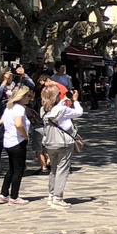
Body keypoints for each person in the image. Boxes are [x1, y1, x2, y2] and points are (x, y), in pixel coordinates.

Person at [39, 79, 84, 207]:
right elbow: (79, 112)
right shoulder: (62, 110)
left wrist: (64, 100)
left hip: (50, 142)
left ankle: (51, 195)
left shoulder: (43, 109)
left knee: (53, 169)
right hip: (63, 142)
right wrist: (75, 101)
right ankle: (58, 198)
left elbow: (55, 108)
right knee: (62, 169)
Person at [0, 86, 35, 205]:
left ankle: (4, 194)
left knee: (12, 169)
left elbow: (3, 120)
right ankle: (14, 196)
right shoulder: (19, 108)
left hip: (8, 141)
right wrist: (25, 135)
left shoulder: (9, 107)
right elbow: (18, 124)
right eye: (28, 96)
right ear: (21, 97)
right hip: (17, 141)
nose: (30, 98)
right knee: (19, 169)